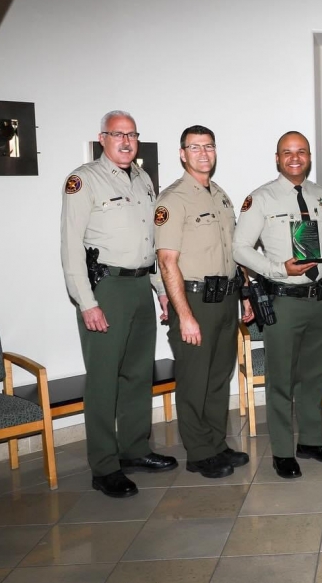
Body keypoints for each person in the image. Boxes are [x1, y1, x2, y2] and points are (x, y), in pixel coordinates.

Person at [60, 110, 177, 498]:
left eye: (131, 135)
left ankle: (135, 449)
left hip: (141, 284)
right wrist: (87, 302)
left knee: (138, 375)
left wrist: (161, 291)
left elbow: (151, 242)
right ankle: (105, 466)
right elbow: (71, 246)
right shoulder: (83, 180)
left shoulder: (143, 179)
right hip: (106, 288)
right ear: (102, 138)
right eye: (117, 135)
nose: (126, 142)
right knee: (103, 380)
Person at [233, 131, 322, 479]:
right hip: (284, 300)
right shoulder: (261, 199)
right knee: (281, 378)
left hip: (320, 299)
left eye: (301, 152)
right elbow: (240, 248)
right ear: (277, 158)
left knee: (313, 376)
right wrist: (277, 268)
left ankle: (311, 440)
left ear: (309, 157)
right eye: (287, 153)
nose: (294, 158)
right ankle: (282, 450)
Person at [155, 125, 254, 479]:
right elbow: (167, 261)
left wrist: (243, 293)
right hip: (194, 301)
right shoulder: (172, 200)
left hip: (226, 299)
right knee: (194, 379)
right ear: (182, 154)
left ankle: (215, 443)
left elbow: (233, 252)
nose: (202, 153)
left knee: (217, 377)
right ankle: (198, 452)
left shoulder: (221, 196)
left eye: (208, 146)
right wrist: (184, 315)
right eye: (194, 147)